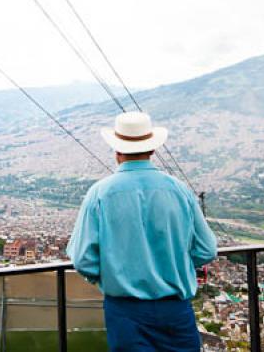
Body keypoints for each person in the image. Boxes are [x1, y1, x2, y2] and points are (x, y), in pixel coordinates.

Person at [66, 111, 217, 352]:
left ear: (117, 151)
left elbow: (83, 259)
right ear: (152, 149)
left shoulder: (100, 194)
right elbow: (207, 249)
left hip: (125, 311)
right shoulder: (179, 191)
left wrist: (112, 275)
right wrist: (176, 264)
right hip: (175, 310)